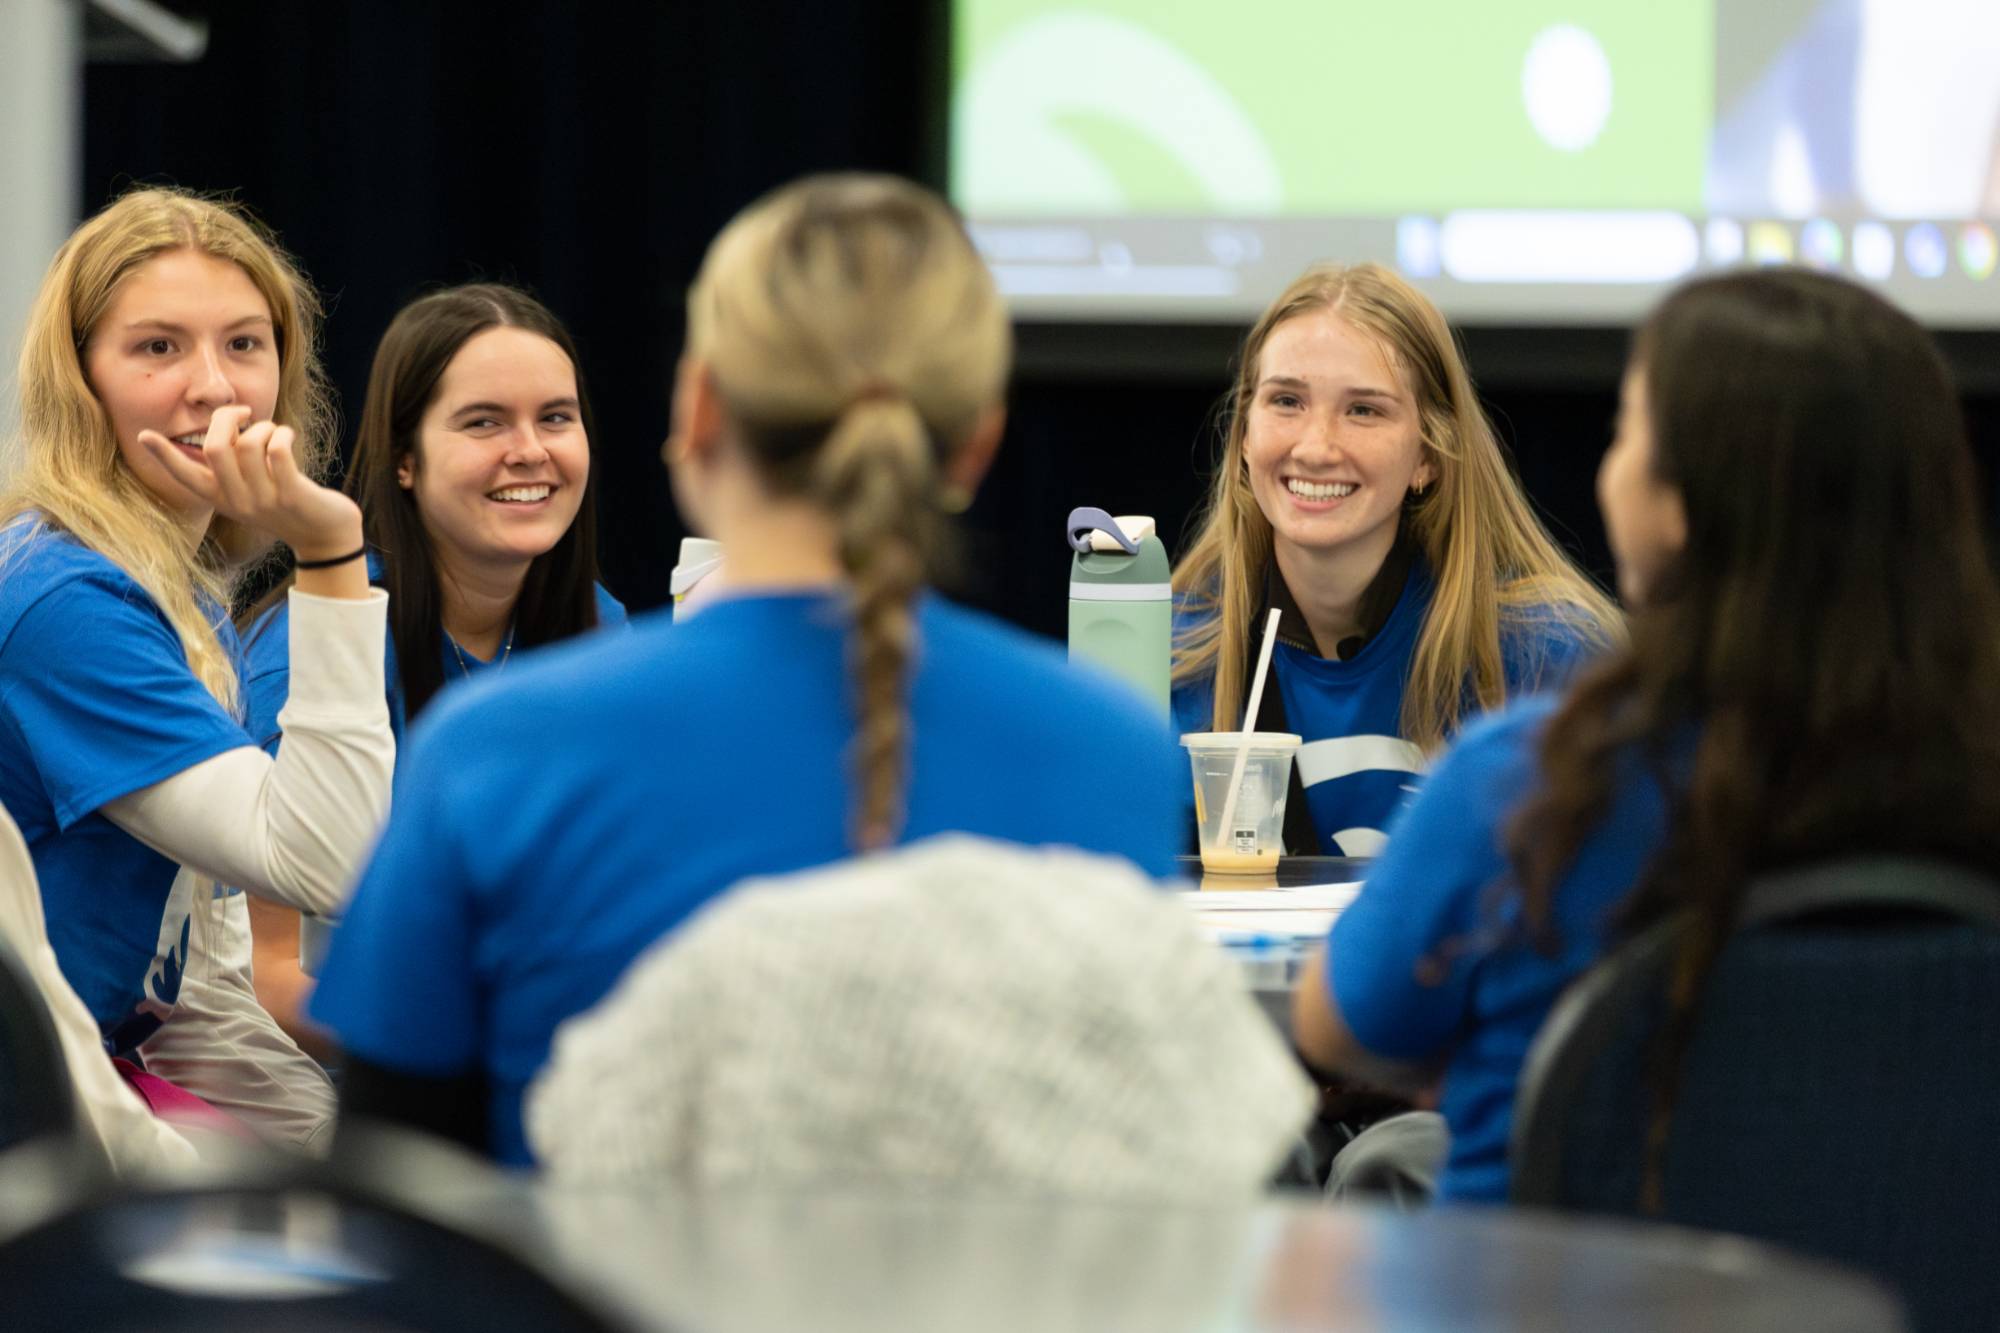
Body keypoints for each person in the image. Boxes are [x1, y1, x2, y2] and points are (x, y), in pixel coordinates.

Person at [306, 173, 1187, 1165]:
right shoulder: (1120, 751)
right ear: (976, 445)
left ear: (699, 409)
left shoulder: (491, 749)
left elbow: (397, 1189)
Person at [1292, 268, 2000, 1203]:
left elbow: (1332, 1027)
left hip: (1541, 1277)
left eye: (1626, 429)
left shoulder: (1532, 784)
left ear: (1676, 505)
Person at [0, 188, 393, 1145]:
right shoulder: (66, 601)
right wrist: (331, 546)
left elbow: (193, 982)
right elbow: (332, 861)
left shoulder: (175, 592)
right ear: (82, 380)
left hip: (83, 1081)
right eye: (158, 347)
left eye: (244, 344)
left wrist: (326, 1151)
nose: (214, 387)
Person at [224, 284, 625, 1050]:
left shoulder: (600, 628)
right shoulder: (308, 649)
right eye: (484, 422)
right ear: (405, 461)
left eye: (555, 417)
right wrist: (482, 1049)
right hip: (348, 1078)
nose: (529, 450)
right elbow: (265, 972)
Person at [1171, 263, 1621, 858]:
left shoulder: (1548, 654)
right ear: (1244, 439)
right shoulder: (1174, 654)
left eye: (1364, 410)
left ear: (1428, 455)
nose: (1316, 447)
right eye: (1286, 401)